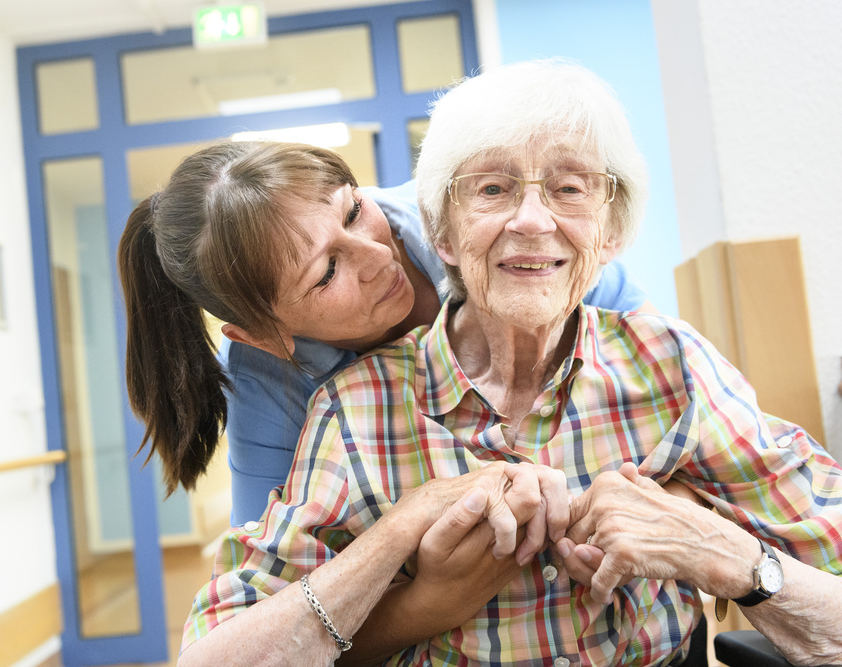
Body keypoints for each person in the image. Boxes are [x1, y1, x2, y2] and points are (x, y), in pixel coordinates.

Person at [181, 59, 842, 666]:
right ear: (442, 232)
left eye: (569, 187)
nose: (532, 220)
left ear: (611, 232)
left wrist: (720, 550)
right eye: (493, 188)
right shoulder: (350, 409)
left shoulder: (668, 364)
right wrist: (406, 526)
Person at [118, 142, 650, 526]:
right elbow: (267, 575)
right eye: (326, 273)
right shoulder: (266, 373)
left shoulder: (475, 220)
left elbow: (669, 391)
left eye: (353, 212)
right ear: (261, 335)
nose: (378, 255)